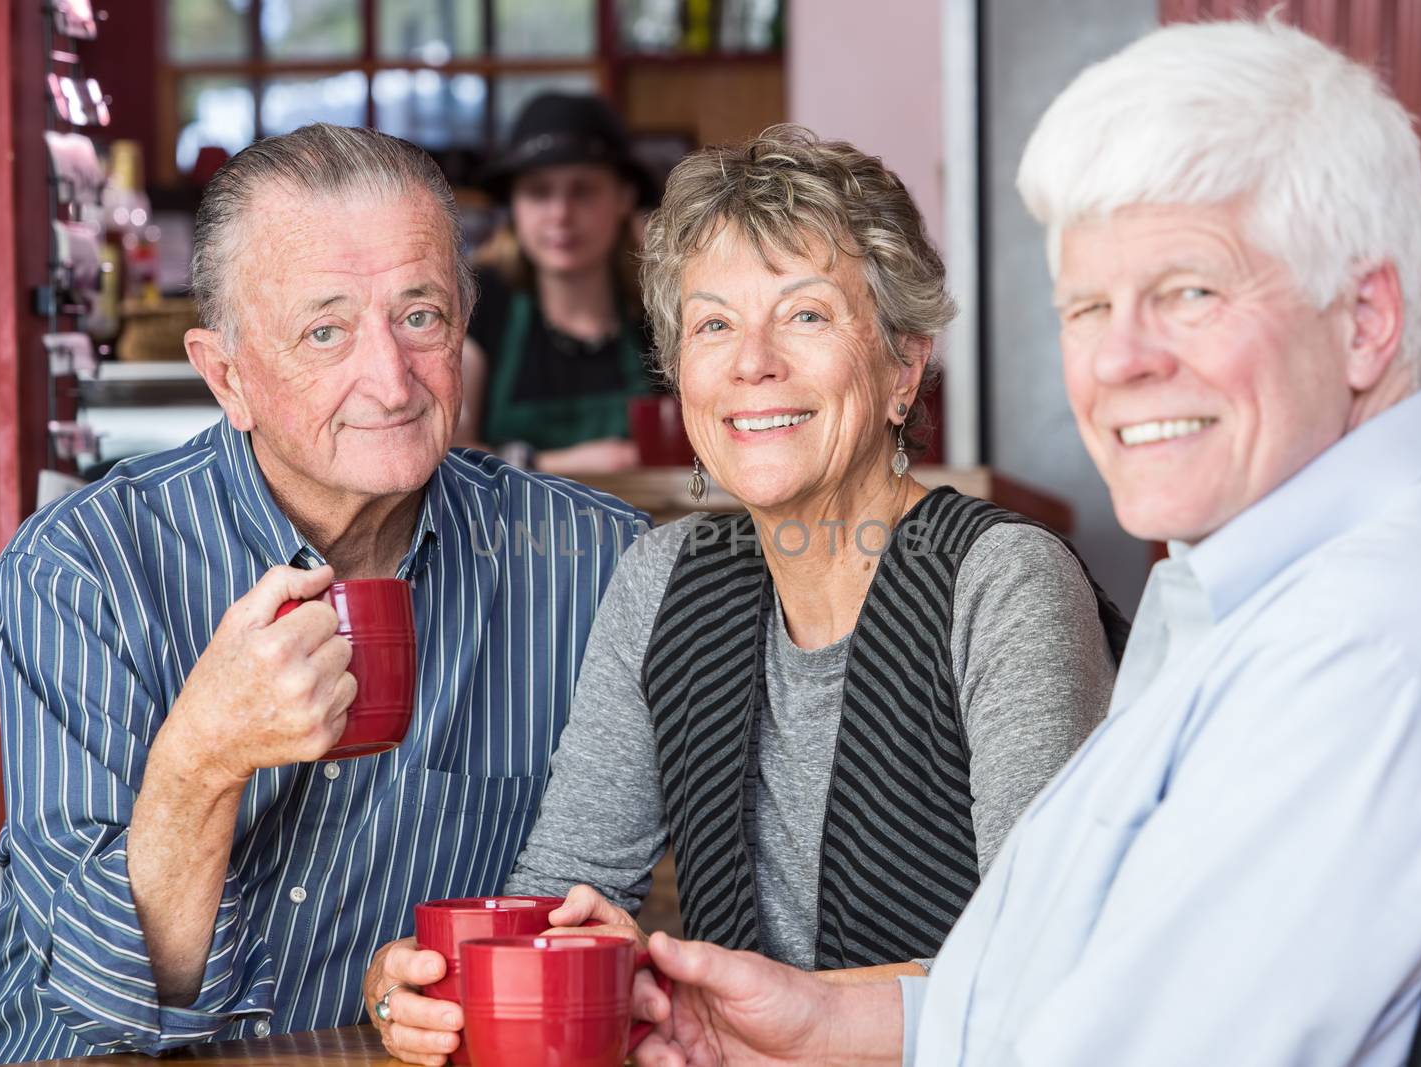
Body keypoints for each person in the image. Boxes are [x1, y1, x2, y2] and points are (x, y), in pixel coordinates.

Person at [612, 18, 1421, 1067]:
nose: (1118, 359)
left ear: (1363, 320)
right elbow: (1062, 990)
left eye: (1189, 292)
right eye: (1085, 305)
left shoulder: (1373, 644)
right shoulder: (1264, 592)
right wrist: (819, 1019)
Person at [365, 125, 1128, 1064]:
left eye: (806, 315)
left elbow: (1054, 958)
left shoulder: (1004, 582)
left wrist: (780, 1009)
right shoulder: (665, 577)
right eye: (713, 324)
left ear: (902, 365)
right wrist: (425, 982)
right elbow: (565, 892)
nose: (751, 362)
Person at [0, 124, 645, 1066]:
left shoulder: (592, 564)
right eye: (325, 331)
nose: (391, 379)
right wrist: (203, 757)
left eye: (422, 315)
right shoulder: (85, 569)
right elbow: (104, 1002)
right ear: (226, 375)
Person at [453, 92, 663, 475]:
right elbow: (451, 449)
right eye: (538, 192)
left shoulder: (661, 312)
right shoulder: (478, 303)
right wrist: (556, 464)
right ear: (513, 206)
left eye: (582, 191)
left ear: (623, 198)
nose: (560, 214)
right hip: (506, 534)